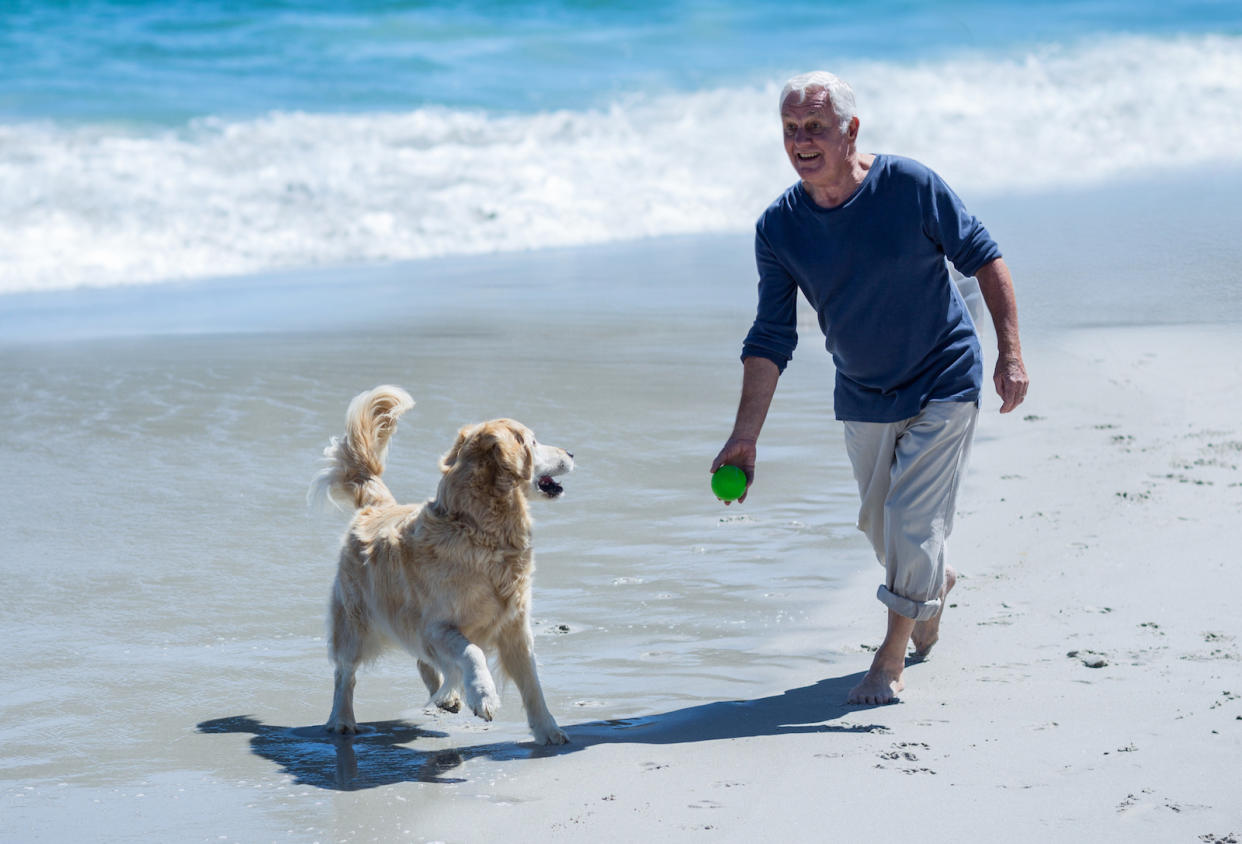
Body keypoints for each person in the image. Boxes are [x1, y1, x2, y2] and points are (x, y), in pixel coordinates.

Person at [711, 71, 1029, 705]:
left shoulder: (909, 185)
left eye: (815, 129)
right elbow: (772, 336)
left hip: (945, 371)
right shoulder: (779, 228)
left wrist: (1010, 353)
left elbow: (985, 256)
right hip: (863, 390)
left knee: (912, 524)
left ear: (851, 131)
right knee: (880, 526)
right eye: (790, 130)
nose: (801, 142)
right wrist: (744, 437)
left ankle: (889, 658)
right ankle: (933, 582)